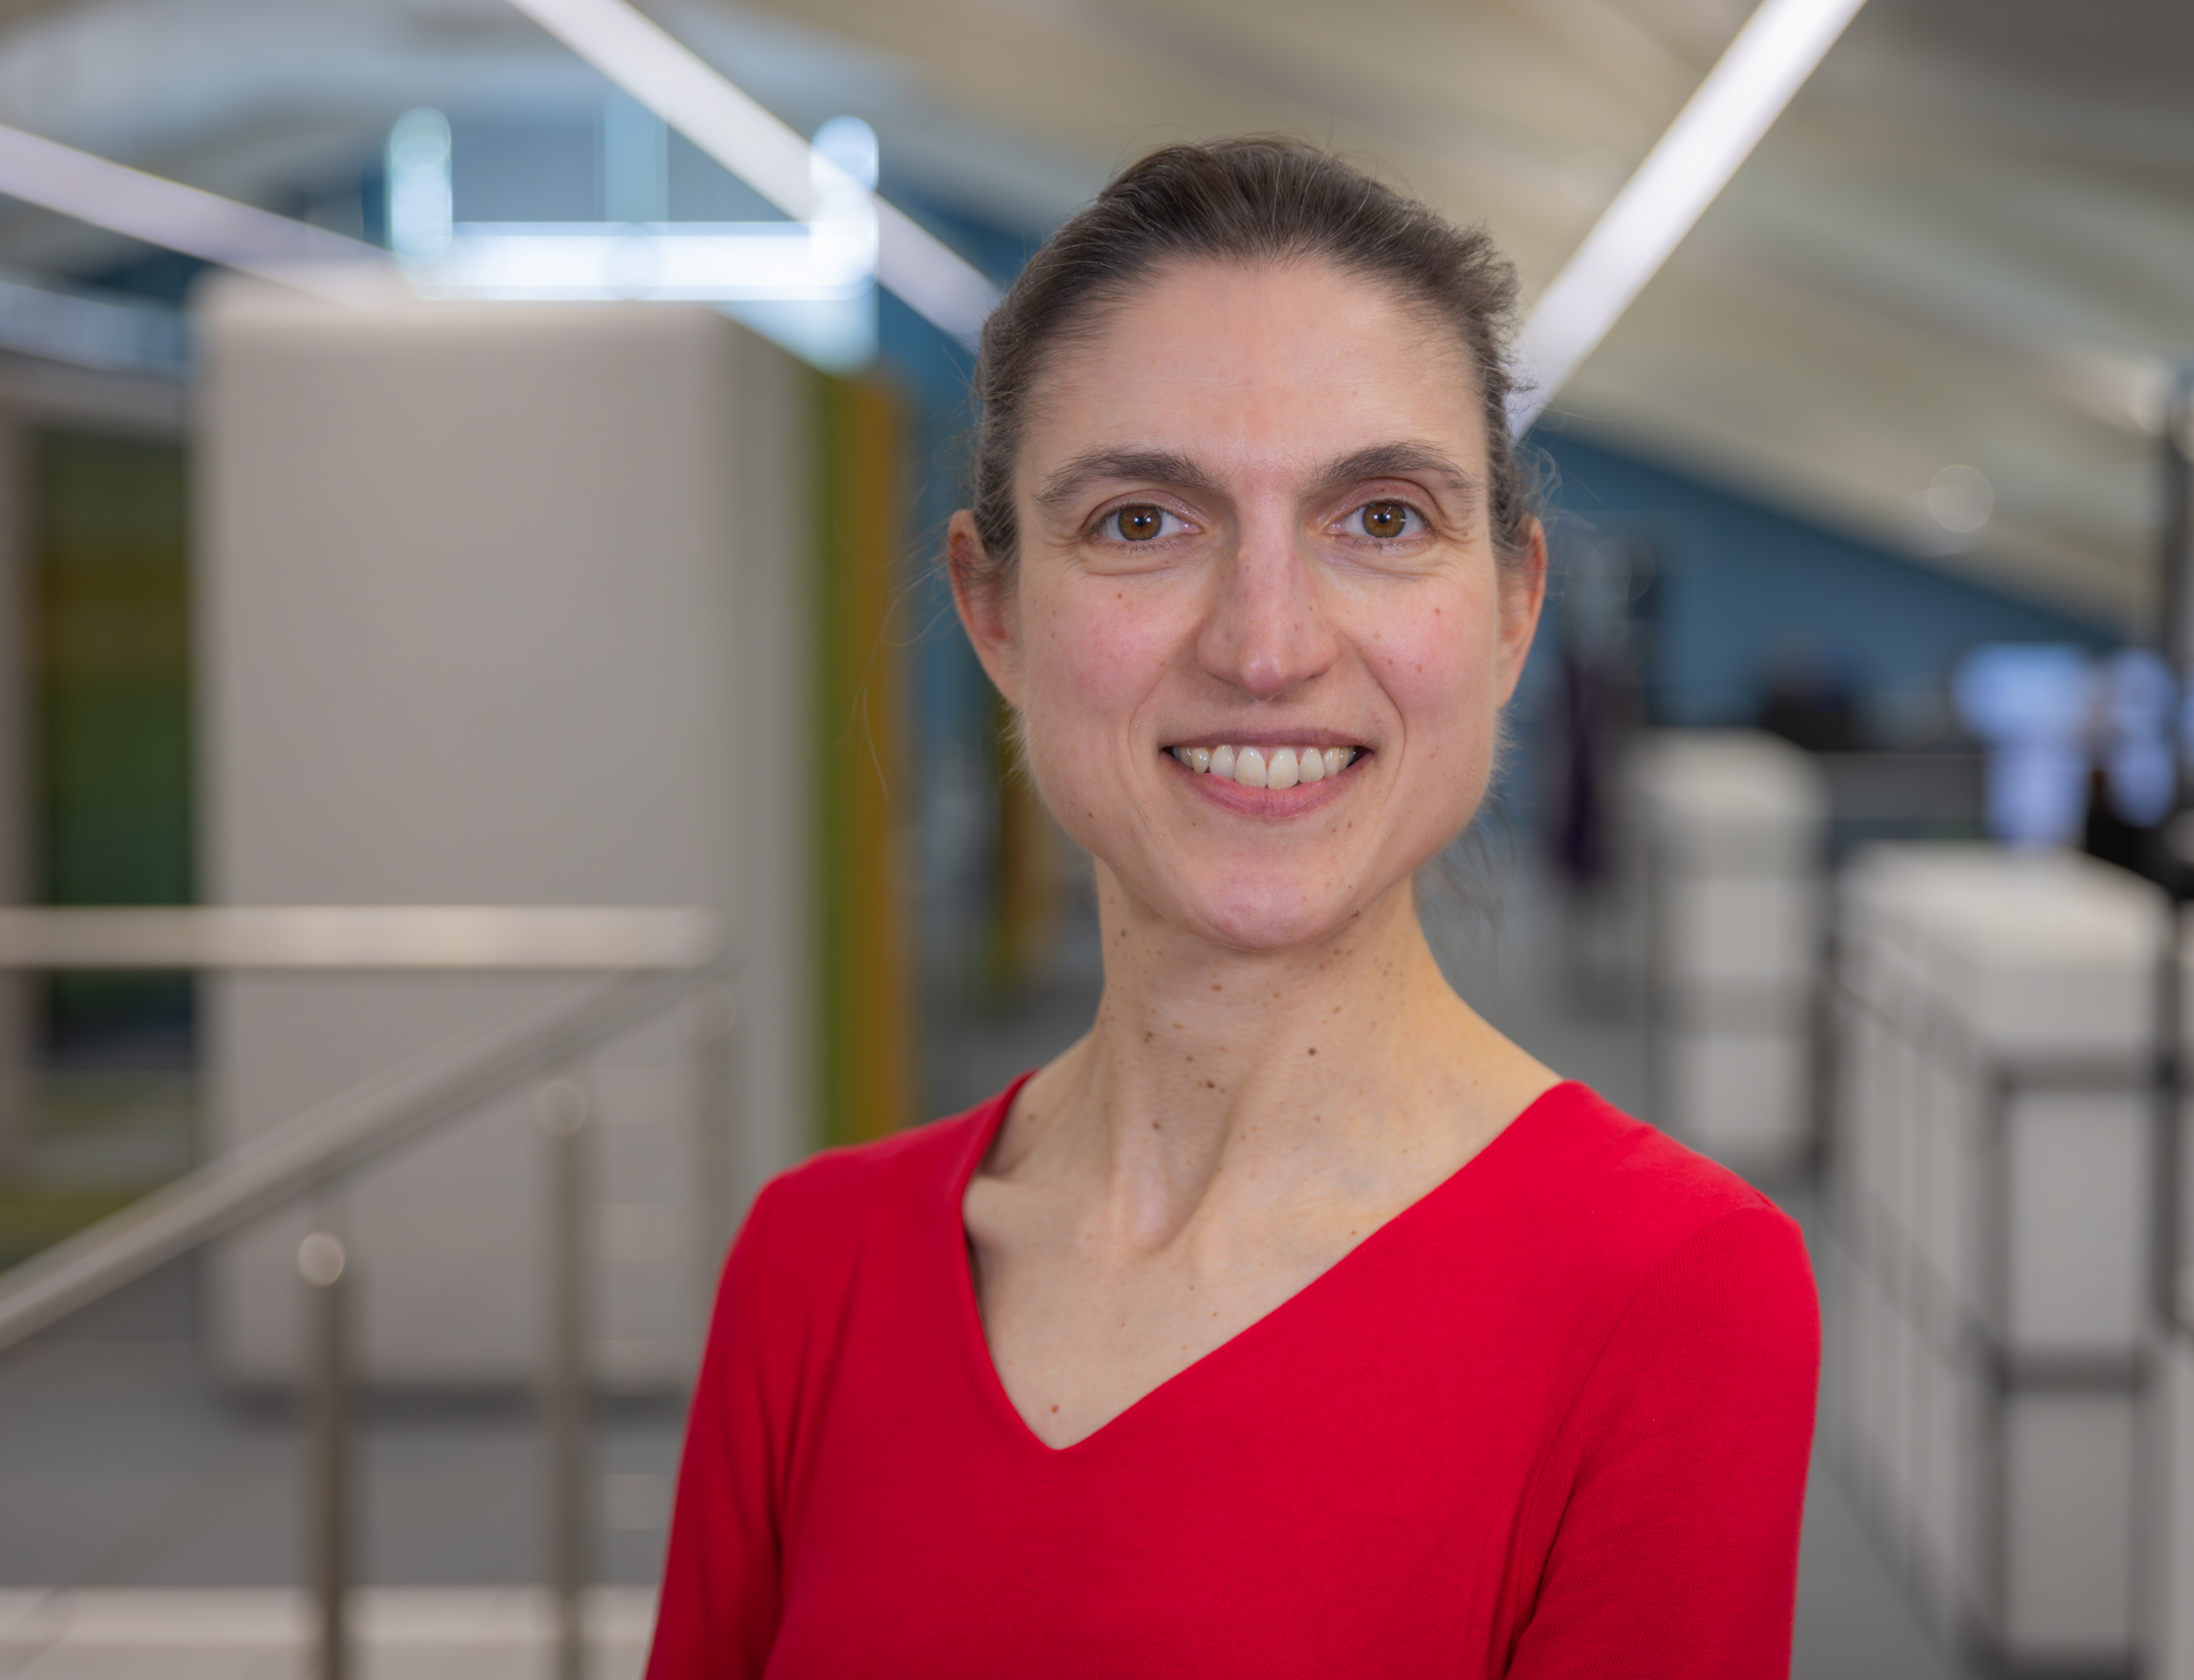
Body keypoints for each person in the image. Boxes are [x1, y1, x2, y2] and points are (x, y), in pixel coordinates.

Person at [647, 137, 1819, 1678]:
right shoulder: (814, 1270)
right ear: (994, 610)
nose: (1265, 648)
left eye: (1381, 520)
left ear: (1511, 608)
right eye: (1143, 520)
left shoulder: (1671, 1295)